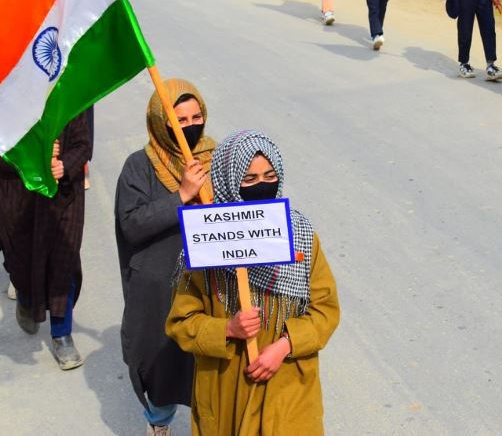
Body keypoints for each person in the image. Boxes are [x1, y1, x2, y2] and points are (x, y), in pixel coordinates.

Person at [166, 130, 340, 435]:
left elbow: (325, 310)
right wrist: (227, 329)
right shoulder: (206, 242)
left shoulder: (299, 234)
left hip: (287, 383)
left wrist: (285, 345)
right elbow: (181, 322)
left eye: (270, 176)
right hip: (226, 389)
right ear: (228, 182)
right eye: (249, 179)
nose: (262, 184)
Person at [115, 79, 216, 435]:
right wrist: (182, 195)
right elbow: (132, 225)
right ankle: (159, 424)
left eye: (196, 117)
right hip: (161, 287)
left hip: (210, 283)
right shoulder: (139, 166)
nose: (190, 126)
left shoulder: (216, 158)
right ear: (161, 122)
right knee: (163, 363)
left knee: (209, 360)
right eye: (179, 120)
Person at [0, 112, 91, 370]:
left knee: (64, 264)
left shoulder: (66, 98)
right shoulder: (7, 102)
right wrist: (35, 157)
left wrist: (64, 165)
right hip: (17, 194)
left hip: (64, 196)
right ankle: (27, 299)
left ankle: (62, 333)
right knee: (21, 262)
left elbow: (83, 145)